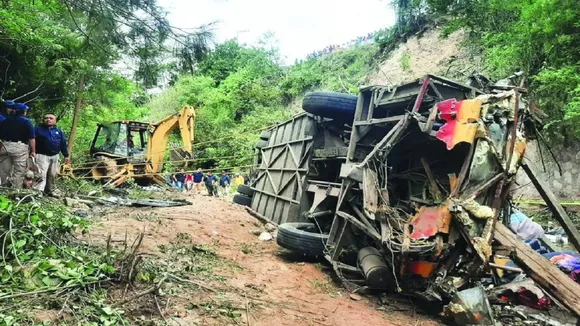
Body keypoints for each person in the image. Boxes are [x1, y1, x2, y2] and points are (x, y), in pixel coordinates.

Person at [32, 113, 70, 195]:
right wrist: (32, 151)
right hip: (41, 155)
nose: (48, 119)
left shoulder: (58, 131)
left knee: (52, 174)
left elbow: (63, 143)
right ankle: (38, 191)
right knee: (41, 174)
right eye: (46, 118)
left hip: (55, 156)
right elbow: (31, 141)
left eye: (51, 118)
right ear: (43, 120)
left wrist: (66, 155)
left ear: (55, 121)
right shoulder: (37, 129)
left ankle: (49, 190)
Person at [0, 103, 36, 188]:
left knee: (4, 170)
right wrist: (33, 151)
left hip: (5, 146)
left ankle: (3, 190)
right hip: (20, 147)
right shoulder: (27, 121)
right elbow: (32, 138)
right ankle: (15, 191)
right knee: (19, 171)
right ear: (24, 112)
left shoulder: (5, 121)